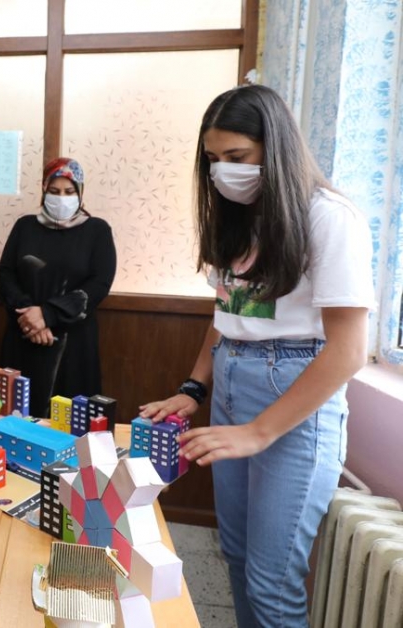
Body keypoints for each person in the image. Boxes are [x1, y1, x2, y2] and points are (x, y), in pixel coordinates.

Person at [138, 84, 373, 628]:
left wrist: (259, 431)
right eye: (213, 159)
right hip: (233, 377)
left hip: (293, 391)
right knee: (238, 558)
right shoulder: (238, 218)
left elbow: (348, 350)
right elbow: (226, 314)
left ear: (276, 148)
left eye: (238, 157)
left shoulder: (329, 217)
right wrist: (194, 387)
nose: (223, 172)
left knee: (272, 584)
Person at [0, 157, 117, 418]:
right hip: (23, 336)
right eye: (54, 191)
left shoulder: (97, 231)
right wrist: (30, 318)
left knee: (71, 421)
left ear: (80, 193)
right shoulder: (24, 227)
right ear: (43, 190)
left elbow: (99, 284)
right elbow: (5, 274)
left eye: (69, 191)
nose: (61, 198)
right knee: (16, 419)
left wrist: (48, 315)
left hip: (73, 344)